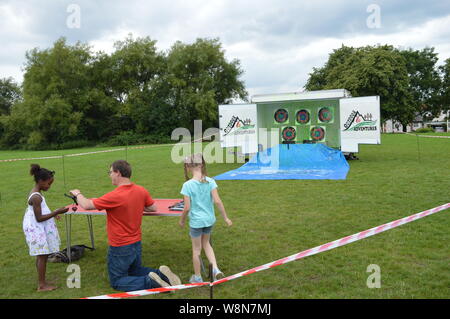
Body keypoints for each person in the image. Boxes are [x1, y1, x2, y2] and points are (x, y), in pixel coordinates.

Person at [69, 160, 181, 291]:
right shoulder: (141, 190)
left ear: (118, 173)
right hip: (136, 242)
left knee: (117, 281)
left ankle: (150, 282)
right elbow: (153, 208)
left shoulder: (114, 195)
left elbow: (87, 205)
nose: (109, 175)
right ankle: (162, 274)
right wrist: (135, 206)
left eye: (110, 172)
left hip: (120, 245)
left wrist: (77, 194)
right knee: (135, 270)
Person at [179, 154, 232, 283]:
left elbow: (186, 208)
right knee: (206, 244)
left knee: (196, 249)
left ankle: (197, 277)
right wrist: (226, 218)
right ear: (201, 164)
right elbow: (218, 201)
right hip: (209, 220)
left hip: (197, 222)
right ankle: (216, 269)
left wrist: (181, 220)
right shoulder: (211, 181)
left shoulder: (187, 185)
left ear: (188, 167)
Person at [23, 164, 69, 291]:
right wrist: (57, 212)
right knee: (42, 256)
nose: (49, 186)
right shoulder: (36, 197)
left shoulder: (37, 192)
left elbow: (41, 211)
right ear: (40, 181)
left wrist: (53, 214)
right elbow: (39, 218)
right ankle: (42, 285)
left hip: (37, 226)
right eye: (49, 183)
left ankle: (42, 281)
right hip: (36, 228)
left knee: (41, 255)